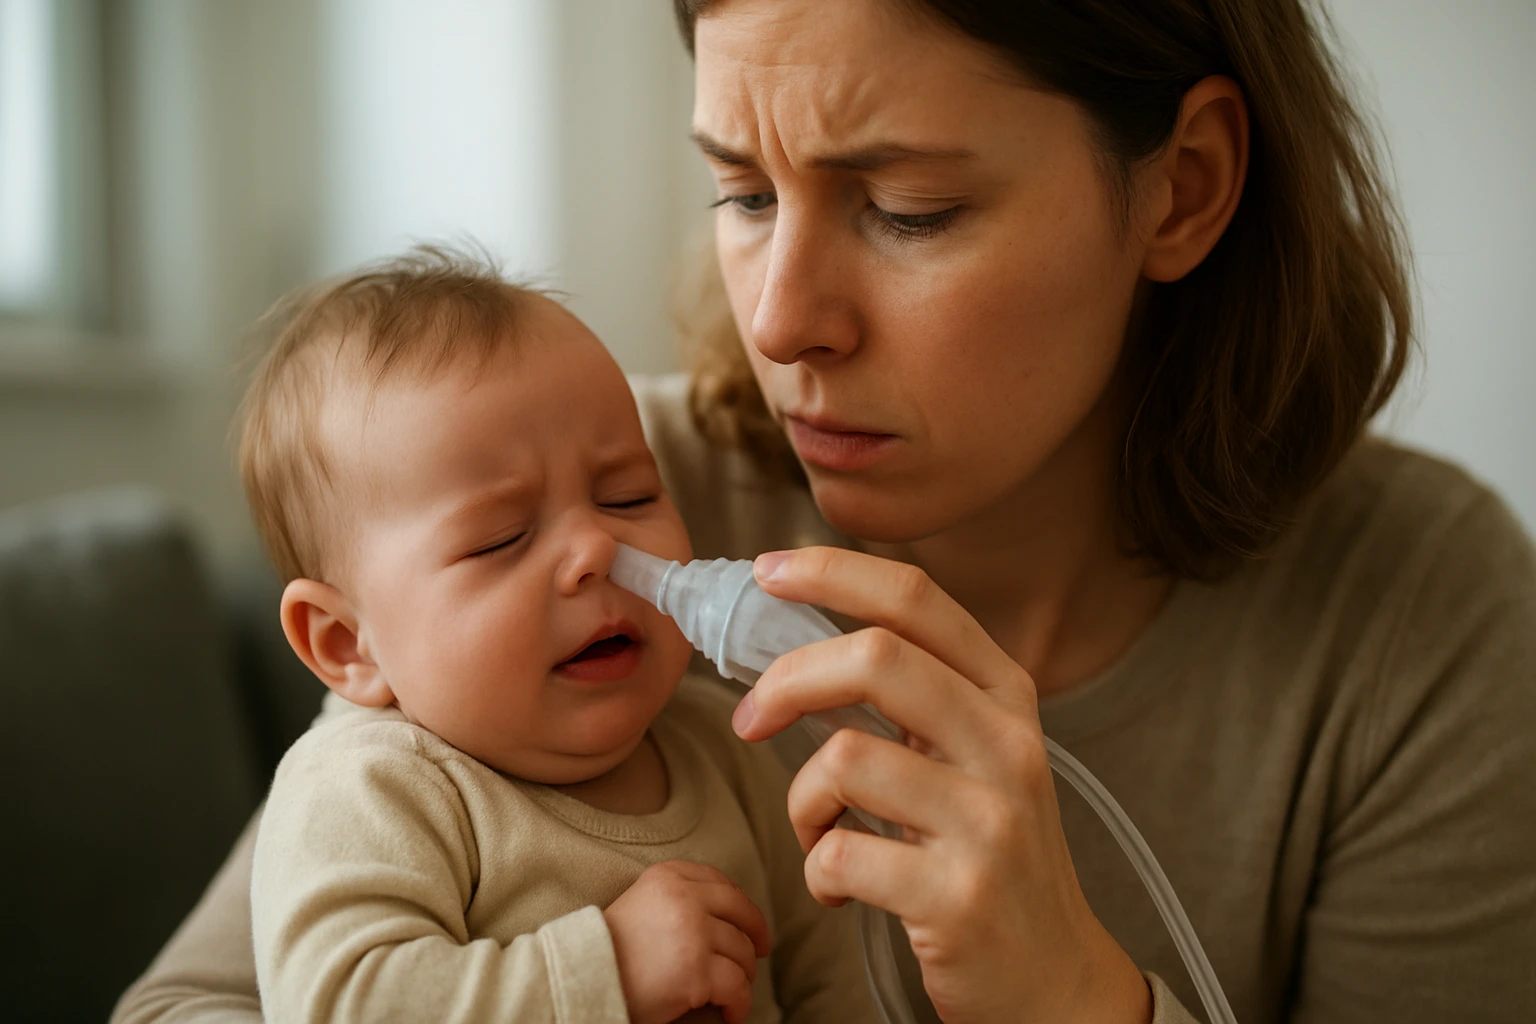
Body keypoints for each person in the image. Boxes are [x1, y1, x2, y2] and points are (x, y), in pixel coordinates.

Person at [115, 1, 1536, 1022]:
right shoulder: (609, 504)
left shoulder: (1419, 619)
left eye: (907, 208)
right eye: (739, 191)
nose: (782, 319)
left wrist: (1077, 1002)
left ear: (1187, 188)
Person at [229, 250, 875, 1024]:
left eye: (628, 495)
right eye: (502, 538)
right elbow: (339, 1006)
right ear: (346, 644)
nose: (595, 551)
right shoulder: (376, 788)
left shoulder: (728, 749)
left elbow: (840, 988)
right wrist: (606, 969)